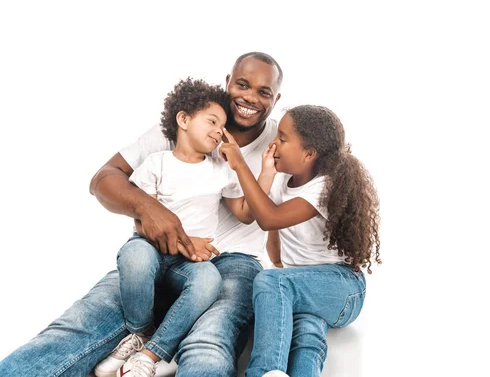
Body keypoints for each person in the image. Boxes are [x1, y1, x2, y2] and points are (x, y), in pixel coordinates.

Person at [0, 52, 294, 377]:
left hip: (231, 262)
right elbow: (104, 177)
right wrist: (148, 207)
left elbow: (269, 201)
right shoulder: (187, 124)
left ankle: (154, 353)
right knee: (76, 327)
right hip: (159, 251)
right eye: (242, 84)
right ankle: (142, 334)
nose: (250, 97)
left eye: (264, 92)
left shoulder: (280, 142)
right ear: (227, 83)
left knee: (208, 343)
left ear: (276, 99)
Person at [94, 78, 274, 377]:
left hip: (192, 262)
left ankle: (152, 353)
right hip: (151, 247)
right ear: (184, 119)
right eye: (212, 121)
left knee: (209, 282)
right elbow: (143, 222)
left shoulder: (219, 171)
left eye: (222, 126)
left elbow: (245, 213)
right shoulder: (156, 163)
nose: (219, 131)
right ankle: (141, 331)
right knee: (134, 258)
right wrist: (187, 241)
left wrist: (264, 171)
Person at [219, 105, 381, 376]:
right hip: (303, 285)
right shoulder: (284, 181)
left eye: (282, 138)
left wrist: (240, 165)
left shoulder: (323, 188)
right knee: (306, 333)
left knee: (270, 280)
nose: (274, 143)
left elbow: (269, 219)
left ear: (308, 153)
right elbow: (274, 241)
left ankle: (263, 371)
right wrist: (268, 176)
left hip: (342, 288)